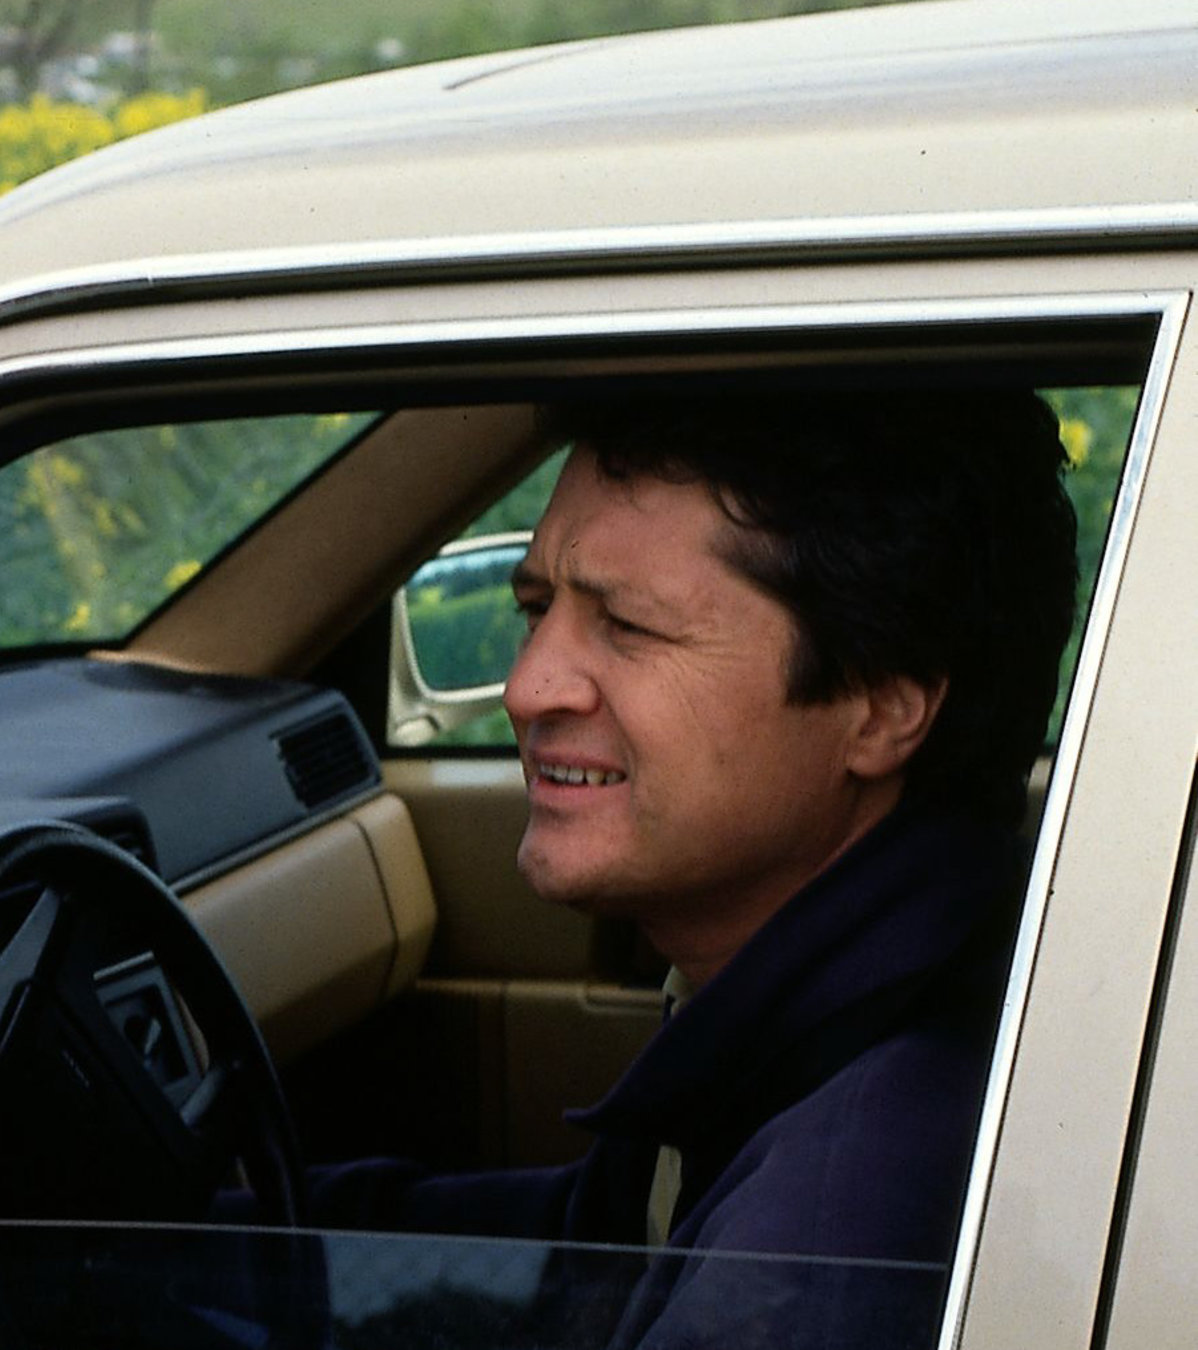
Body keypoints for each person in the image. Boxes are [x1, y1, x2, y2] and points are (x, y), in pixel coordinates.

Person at [310, 391, 1080, 1349]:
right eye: (538, 608)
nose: (525, 686)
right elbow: (586, 1254)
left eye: (628, 627)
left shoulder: (817, 1261)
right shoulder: (836, 1004)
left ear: (882, 710)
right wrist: (234, 1235)